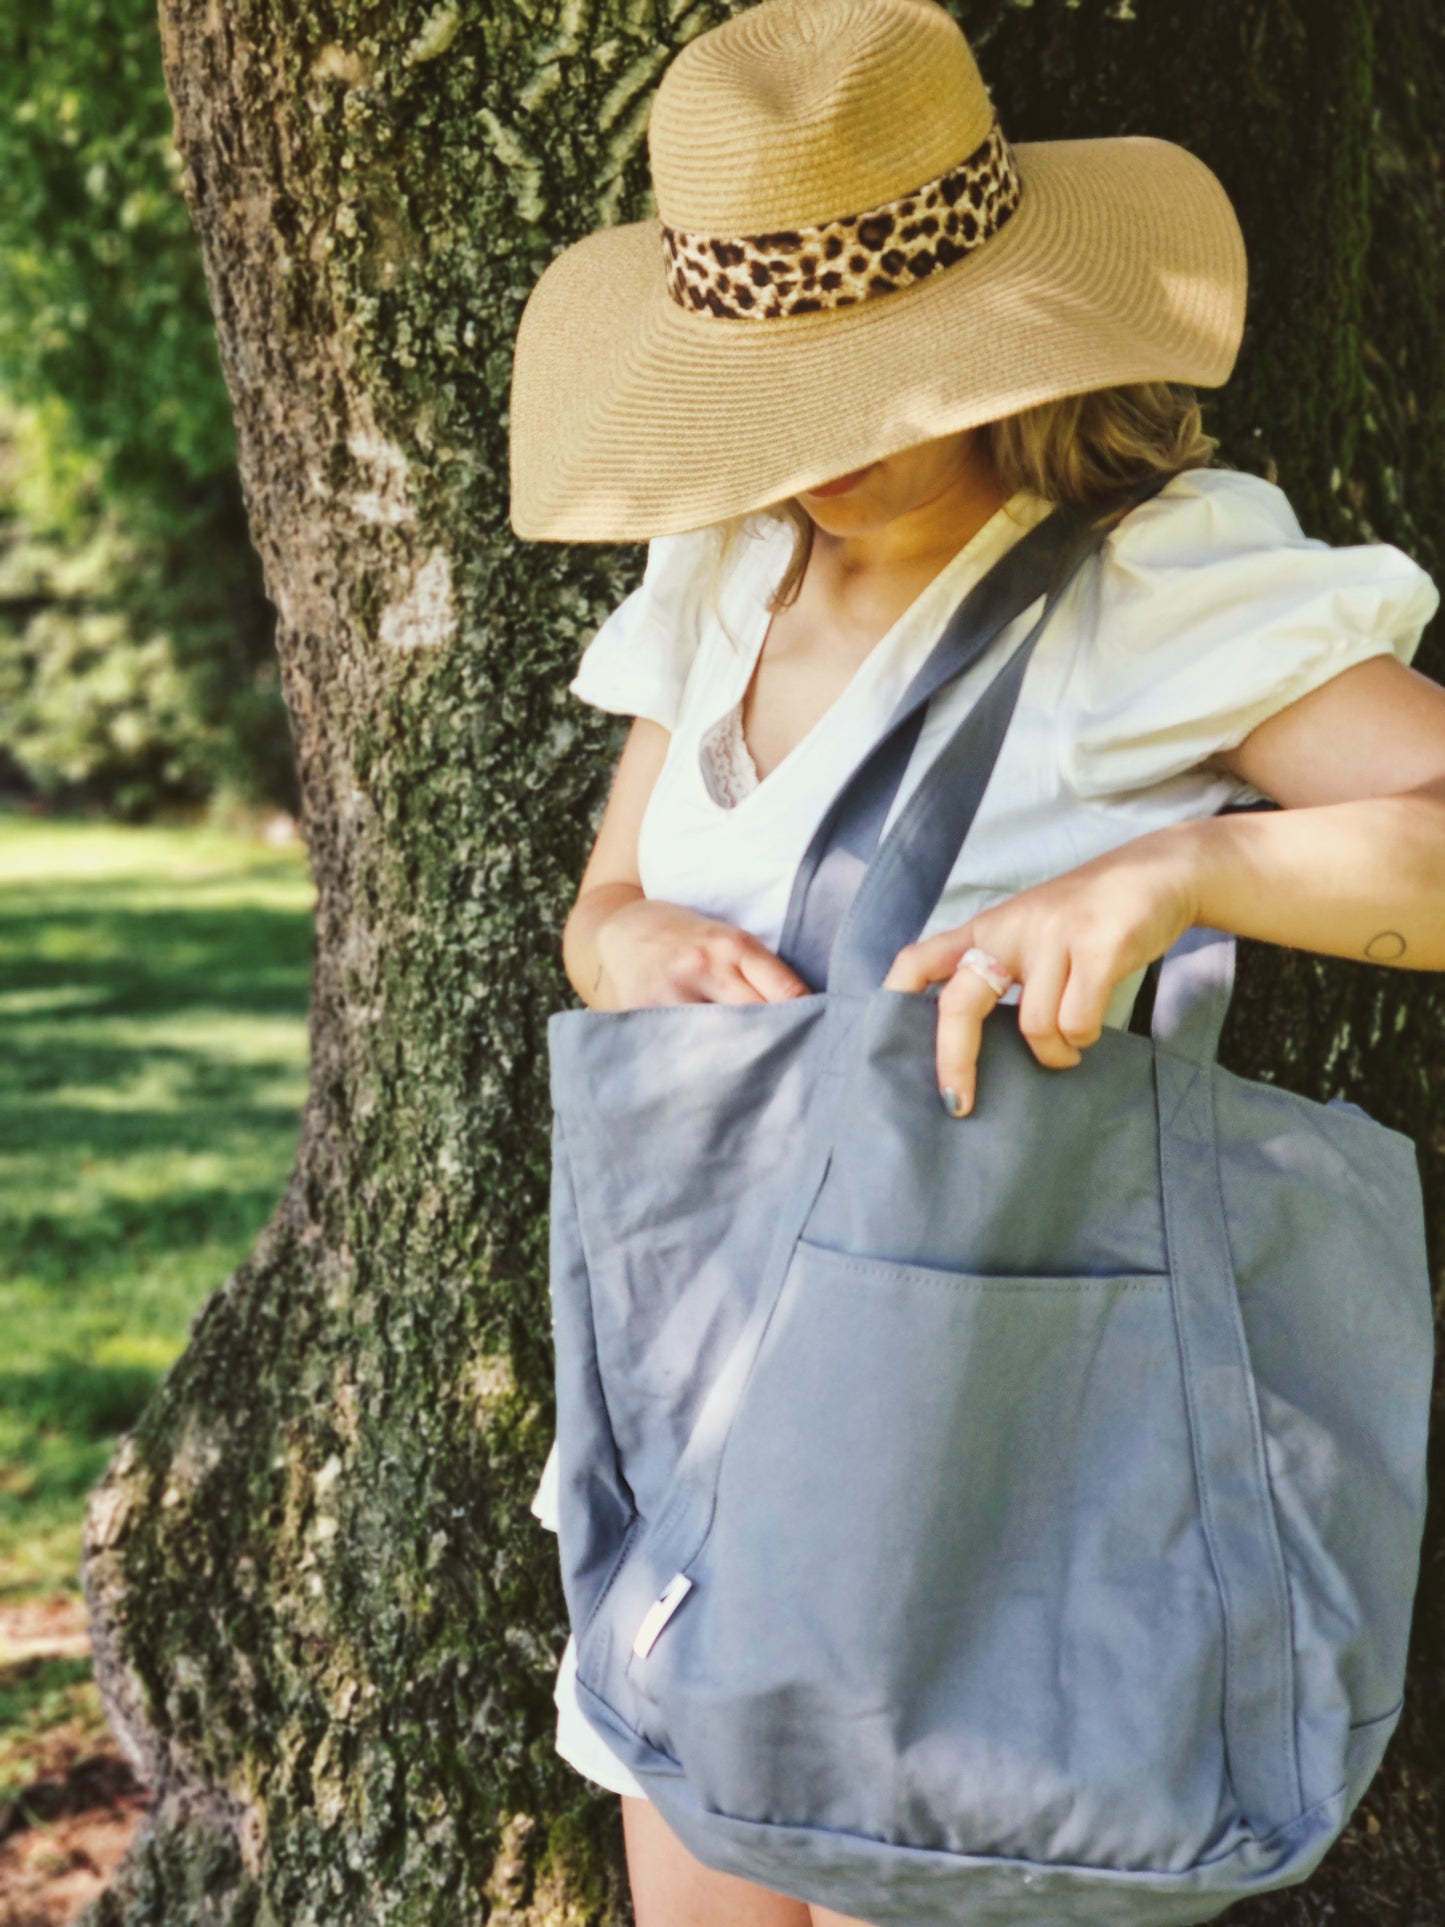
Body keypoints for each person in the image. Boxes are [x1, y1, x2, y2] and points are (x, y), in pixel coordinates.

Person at [506, 1, 1445, 1921]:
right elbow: (602, 903)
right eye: (774, 388)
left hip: (983, 1490)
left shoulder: (1145, 581)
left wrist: (1191, 868)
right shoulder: (718, 580)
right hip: (699, 1452)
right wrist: (642, 951)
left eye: (867, 381)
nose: (819, 451)